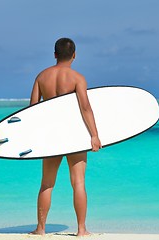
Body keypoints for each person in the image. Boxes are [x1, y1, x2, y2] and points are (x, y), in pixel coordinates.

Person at [29, 38, 102, 236]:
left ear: (54, 54)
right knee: (78, 183)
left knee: (47, 183)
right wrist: (94, 135)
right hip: (75, 136)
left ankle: (41, 228)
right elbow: (85, 107)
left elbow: (32, 110)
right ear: (74, 55)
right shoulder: (78, 78)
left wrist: (34, 138)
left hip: (51, 138)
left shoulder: (41, 77)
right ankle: (81, 229)